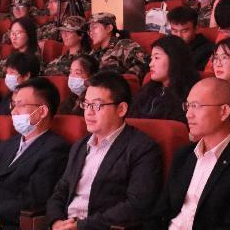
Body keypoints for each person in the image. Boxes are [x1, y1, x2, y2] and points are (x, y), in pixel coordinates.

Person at [148, 77, 230, 230]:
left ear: (223, 112)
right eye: (188, 106)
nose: (188, 114)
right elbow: (160, 212)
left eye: (196, 106)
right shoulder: (183, 155)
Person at [46, 71, 163, 230]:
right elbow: (60, 191)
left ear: (121, 109)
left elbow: (136, 205)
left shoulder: (142, 148)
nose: (88, 112)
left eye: (97, 105)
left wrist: (81, 226)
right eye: (86, 104)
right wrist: (56, 221)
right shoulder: (80, 146)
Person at [0, 78, 71, 229]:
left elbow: (31, 201)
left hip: (8, 224)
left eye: (20, 105)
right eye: (13, 105)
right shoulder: (6, 146)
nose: (13, 112)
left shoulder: (55, 149)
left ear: (42, 111)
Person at [129, 35, 199, 123]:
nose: (151, 64)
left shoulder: (191, 94)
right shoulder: (148, 90)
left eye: (156, 58)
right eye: (151, 59)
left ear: (174, 60)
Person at [87, 12, 148, 79]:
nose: (91, 33)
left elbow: (142, 65)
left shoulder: (125, 45)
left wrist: (123, 80)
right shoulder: (94, 53)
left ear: (109, 28)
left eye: (94, 27)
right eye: (89, 30)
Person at [167, 6, 214, 71]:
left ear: (196, 28)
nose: (179, 35)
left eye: (184, 31)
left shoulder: (207, 50)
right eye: (175, 31)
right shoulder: (167, 44)